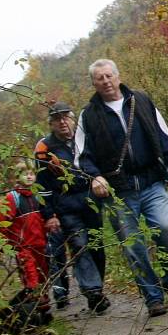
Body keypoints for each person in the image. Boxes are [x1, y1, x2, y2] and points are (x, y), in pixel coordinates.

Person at [75, 58, 168, 317]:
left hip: (151, 182)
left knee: (166, 228)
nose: (105, 81)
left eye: (109, 76)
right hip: (117, 191)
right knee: (132, 246)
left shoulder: (141, 100)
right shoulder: (88, 116)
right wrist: (94, 177)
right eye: (99, 78)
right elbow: (81, 156)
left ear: (117, 76)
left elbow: (163, 135)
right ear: (93, 83)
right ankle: (153, 297)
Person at [35, 101, 109, 314]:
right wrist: (49, 215)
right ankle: (93, 291)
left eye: (66, 117)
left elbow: (97, 162)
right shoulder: (45, 149)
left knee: (96, 245)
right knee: (79, 244)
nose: (62, 122)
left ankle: (97, 287)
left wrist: (99, 178)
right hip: (65, 205)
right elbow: (42, 185)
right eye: (57, 119)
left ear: (73, 118)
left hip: (90, 200)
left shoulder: (84, 139)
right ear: (51, 124)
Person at [0, 161, 51, 315]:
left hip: (40, 244)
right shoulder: (12, 198)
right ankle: (34, 302)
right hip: (23, 247)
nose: (29, 176)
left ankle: (43, 301)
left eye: (32, 173)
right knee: (30, 275)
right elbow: (2, 221)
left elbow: (45, 217)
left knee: (43, 273)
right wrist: (1, 242)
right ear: (17, 177)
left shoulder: (37, 195)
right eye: (25, 174)